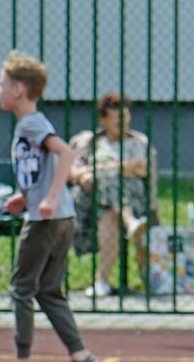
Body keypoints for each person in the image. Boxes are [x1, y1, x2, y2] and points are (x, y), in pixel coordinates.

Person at [0, 51, 100, 362]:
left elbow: (65, 154)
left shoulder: (30, 123)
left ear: (19, 90)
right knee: (48, 291)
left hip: (47, 220)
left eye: (2, 84)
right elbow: (41, 168)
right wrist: (25, 198)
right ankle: (80, 356)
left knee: (21, 288)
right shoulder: (30, 125)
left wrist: (49, 200)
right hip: (59, 218)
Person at [69, 92, 161, 297]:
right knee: (110, 183)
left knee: (109, 211)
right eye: (117, 118)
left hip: (133, 201)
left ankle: (101, 281)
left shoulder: (139, 142)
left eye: (126, 117)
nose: (123, 122)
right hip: (90, 202)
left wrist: (98, 169)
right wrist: (122, 168)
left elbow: (143, 170)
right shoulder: (89, 142)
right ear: (103, 119)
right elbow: (73, 172)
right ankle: (130, 223)